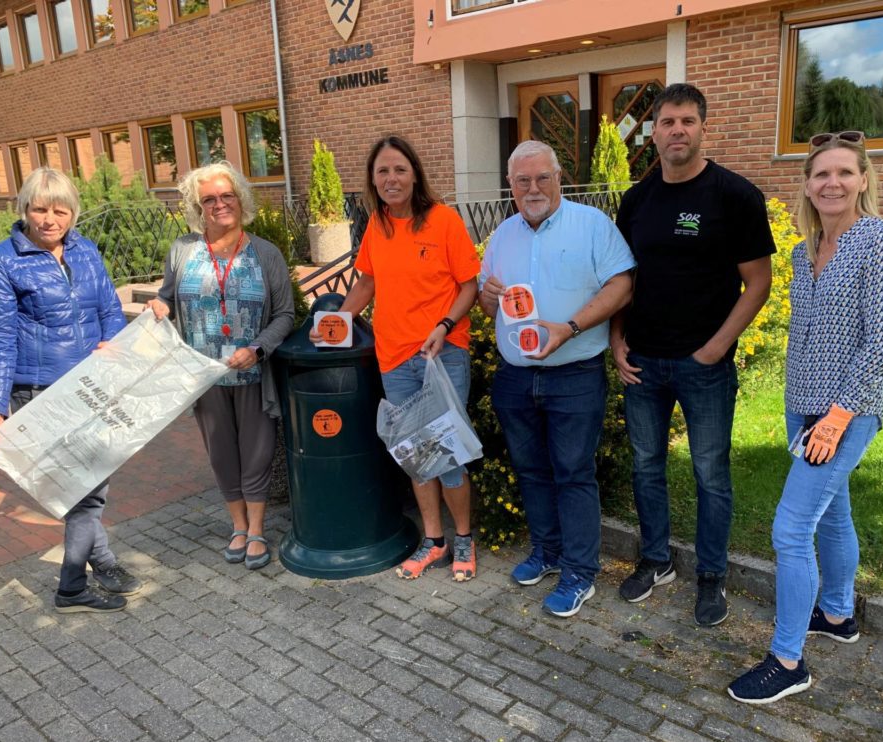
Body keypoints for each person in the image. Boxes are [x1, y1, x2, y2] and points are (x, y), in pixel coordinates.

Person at [728, 131, 883, 704]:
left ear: (863, 180)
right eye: (821, 174)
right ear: (807, 185)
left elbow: (881, 343)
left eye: (844, 173)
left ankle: (787, 660)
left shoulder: (881, 242)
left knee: (791, 527)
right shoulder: (805, 249)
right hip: (801, 404)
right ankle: (835, 615)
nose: (832, 183)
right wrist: (803, 409)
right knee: (832, 515)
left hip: (846, 412)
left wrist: (834, 419)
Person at [611, 83, 775, 626]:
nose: (676, 131)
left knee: (710, 474)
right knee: (647, 467)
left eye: (687, 121)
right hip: (643, 364)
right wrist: (617, 340)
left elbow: (757, 282)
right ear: (652, 131)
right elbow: (622, 279)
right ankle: (656, 561)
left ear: (703, 127)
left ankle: (711, 577)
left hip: (702, 366)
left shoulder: (734, 196)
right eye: (666, 122)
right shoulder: (636, 201)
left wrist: (715, 347)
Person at [310, 135, 480, 582]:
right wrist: (336, 324)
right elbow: (366, 284)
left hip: (442, 355)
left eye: (399, 169)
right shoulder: (377, 226)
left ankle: (463, 538)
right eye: (383, 171)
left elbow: (469, 286)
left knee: (447, 452)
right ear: (373, 179)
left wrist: (444, 326)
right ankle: (434, 542)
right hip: (393, 358)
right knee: (415, 454)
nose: (391, 179)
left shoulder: (443, 221)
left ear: (415, 174)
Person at [479, 140, 635, 618]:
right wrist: (488, 296)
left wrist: (569, 328)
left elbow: (623, 284)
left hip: (575, 373)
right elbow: (491, 305)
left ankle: (579, 573)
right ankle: (546, 553)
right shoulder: (502, 235)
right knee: (531, 471)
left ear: (559, 177)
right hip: (515, 377)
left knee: (572, 474)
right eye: (522, 180)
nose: (533, 188)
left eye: (541, 177)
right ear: (510, 185)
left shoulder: (592, 225)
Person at [0, 167, 140, 613]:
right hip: (40, 390)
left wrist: (113, 343)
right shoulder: (4, 260)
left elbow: (108, 308)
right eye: (39, 209)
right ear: (24, 209)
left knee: (82, 490)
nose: (50, 219)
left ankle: (102, 563)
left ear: (72, 212)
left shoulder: (86, 251)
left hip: (90, 386)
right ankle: (71, 587)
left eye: (60, 210)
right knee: (87, 493)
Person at [147, 161, 294, 570]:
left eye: (226, 196)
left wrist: (260, 348)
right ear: (198, 208)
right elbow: (168, 298)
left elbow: (285, 314)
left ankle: (259, 529)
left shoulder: (265, 253)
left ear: (240, 199)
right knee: (221, 455)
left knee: (257, 453)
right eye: (208, 199)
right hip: (204, 375)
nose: (218, 205)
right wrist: (160, 305)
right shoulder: (183, 251)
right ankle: (238, 526)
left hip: (252, 372)